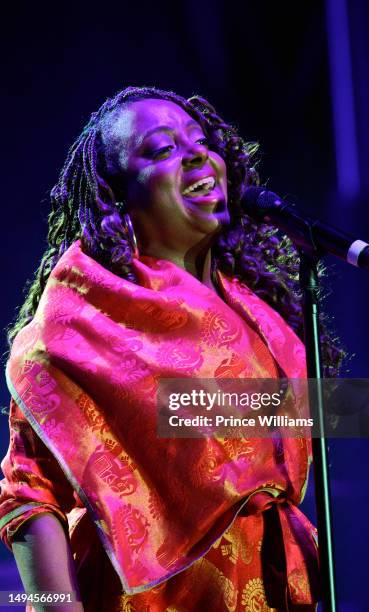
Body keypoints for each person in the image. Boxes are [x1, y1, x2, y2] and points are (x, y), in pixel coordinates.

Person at [0, 86, 342, 611]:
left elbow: (248, 416)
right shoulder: (75, 328)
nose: (198, 154)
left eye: (201, 141)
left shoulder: (258, 316)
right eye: (162, 149)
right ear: (116, 196)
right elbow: (29, 496)